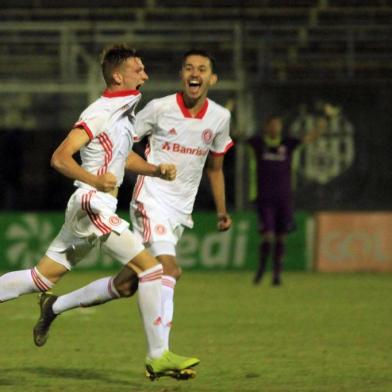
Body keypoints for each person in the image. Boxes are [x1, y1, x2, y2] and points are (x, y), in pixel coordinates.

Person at [0, 44, 199, 377]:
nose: (146, 74)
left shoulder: (122, 111)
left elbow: (121, 159)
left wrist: (154, 169)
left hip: (92, 204)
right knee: (150, 271)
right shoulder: (100, 111)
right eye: (139, 69)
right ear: (119, 76)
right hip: (92, 202)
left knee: (42, 277)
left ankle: (55, 308)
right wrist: (94, 179)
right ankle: (158, 355)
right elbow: (60, 157)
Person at [33, 49, 233, 361]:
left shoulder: (221, 118)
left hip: (181, 207)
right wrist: (127, 174)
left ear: (213, 78)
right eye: (189, 68)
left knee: (126, 286)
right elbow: (120, 146)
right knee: (166, 269)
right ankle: (161, 356)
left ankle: (54, 306)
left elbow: (216, 168)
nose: (195, 73)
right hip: (150, 199)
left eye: (203, 69)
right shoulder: (158, 108)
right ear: (182, 75)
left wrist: (222, 210)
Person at [250, 114, 326, 286]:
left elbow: (310, 138)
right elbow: (235, 136)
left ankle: (277, 275)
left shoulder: (288, 144)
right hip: (265, 200)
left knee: (281, 238)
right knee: (268, 237)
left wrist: (324, 121)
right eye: (273, 125)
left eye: (278, 125)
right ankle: (261, 271)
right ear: (266, 127)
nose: (276, 128)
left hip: (284, 199)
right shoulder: (257, 144)